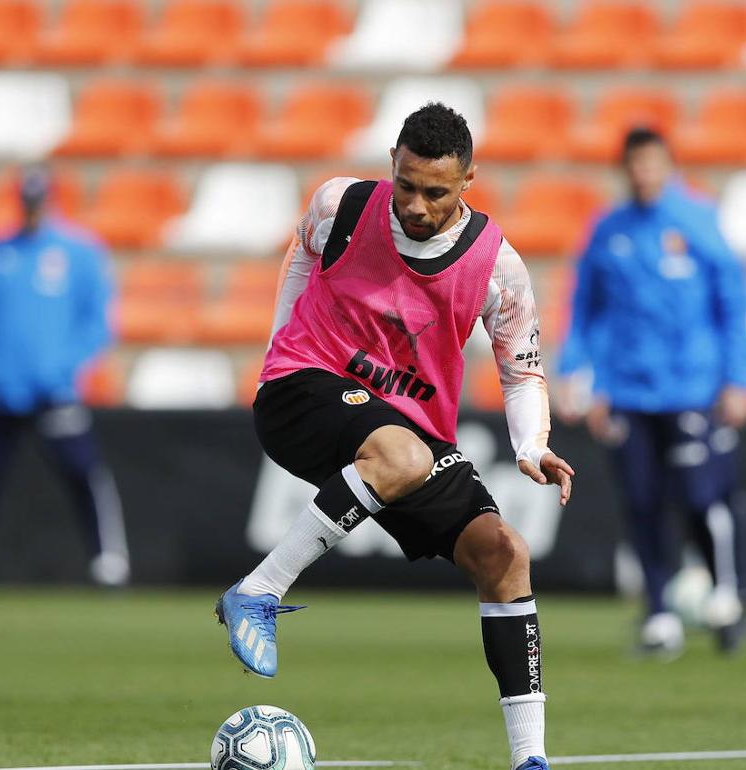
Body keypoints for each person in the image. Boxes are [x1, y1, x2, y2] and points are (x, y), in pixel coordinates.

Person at [214, 103, 573, 770]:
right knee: (399, 453)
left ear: (468, 181)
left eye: (434, 191)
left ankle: (530, 760)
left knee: (503, 555)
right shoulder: (341, 205)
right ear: (393, 166)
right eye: (405, 184)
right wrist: (279, 348)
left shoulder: (498, 266)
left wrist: (530, 445)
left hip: (407, 427)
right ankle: (259, 591)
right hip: (306, 387)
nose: (415, 203)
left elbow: (521, 370)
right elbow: (303, 254)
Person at [555, 127, 746, 657]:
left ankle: (729, 596)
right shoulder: (609, 230)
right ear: (626, 169)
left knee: (701, 496)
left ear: (667, 166)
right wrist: (578, 372)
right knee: (642, 502)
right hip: (627, 391)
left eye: (653, 163)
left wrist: (739, 378)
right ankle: (660, 613)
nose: (644, 173)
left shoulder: (698, 220)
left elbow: (731, 304)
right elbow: (586, 310)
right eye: (636, 164)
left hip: (693, 386)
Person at [0, 167, 129, 590]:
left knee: (83, 473)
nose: (33, 209)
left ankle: (108, 559)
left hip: (56, 390)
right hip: (2, 391)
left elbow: (96, 324)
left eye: (39, 200)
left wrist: (62, 370)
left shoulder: (80, 252)